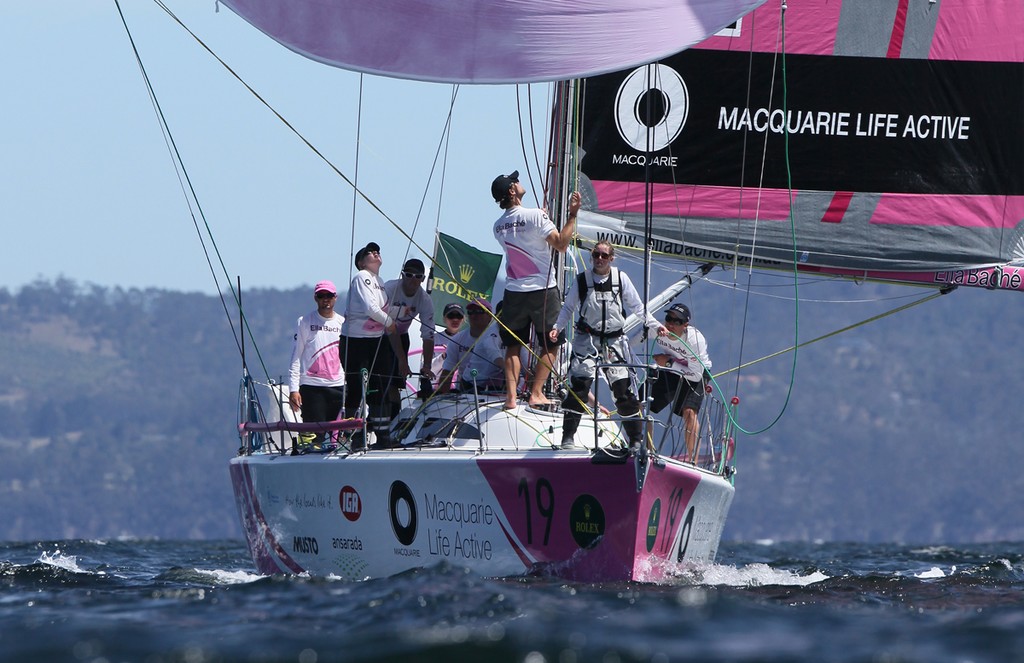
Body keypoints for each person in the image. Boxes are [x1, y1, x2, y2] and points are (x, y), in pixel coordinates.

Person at [550, 241, 665, 450]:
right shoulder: (582, 280)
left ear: (612, 258)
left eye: (604, 255)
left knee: (622, 389)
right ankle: (568, 437)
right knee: (580, 386)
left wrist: (656, 326)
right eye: (596, 254)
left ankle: (636, 440)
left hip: (615, 341)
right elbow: (568, 307)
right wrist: (557, 327)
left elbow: (638, 307)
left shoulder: (620, 279)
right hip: (587, 339)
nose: (599, 259)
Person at [491, 169, 580, 409]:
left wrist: (541, 219)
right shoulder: (535, 216)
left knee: (513, 345)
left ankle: (511, 397)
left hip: (514, 292)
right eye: (515, 182)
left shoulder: (498, 226)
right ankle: (536, 393)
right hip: (542, 289)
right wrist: (572, 216)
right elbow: (561, 245)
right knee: (552, 343)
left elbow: (521, 232)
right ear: (512, 191)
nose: (519, 183)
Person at [341, 242, 408, 449]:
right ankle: (353, 435)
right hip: (356, 342)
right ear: (360, 262)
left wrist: (404, 313)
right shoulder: (362, 277)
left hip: (376, 340)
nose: (375, 253)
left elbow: (385, 308)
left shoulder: (379, 282)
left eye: (377, 250)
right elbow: (371, 308)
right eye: (369, 252)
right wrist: (390, 322)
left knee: (380, 386)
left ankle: (382, 435)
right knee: (357, 387)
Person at [287, 280, 346, 448]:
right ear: (316, 298)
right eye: (321, 296)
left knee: (341, 439)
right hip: (312, 387)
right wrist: (294, 389)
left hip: (338, 386)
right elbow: (296, 356)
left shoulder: (343, 323)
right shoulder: (305, 321)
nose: (325, 299)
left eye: (329, 296)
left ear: (335, 298)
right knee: (313, 440)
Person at [650, 303, 712, 460]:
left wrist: (668, 363)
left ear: (685, 325)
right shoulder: (658, 331)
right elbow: (637, 336)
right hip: (671, 366)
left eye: (677, 322)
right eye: (668, 318)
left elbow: (695, 375)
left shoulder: (694, 340)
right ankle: (646, 451)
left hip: (696, 372)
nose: (670, 324)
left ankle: (693, 461)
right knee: (640, 403)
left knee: (689, 412)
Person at [384, 258, 435, 400]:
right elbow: (389, 327)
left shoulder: (425, 300)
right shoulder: (389, 289)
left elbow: (428, 335)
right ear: (402, 275)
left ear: (423, 279)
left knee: (396, 383)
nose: (413, 280)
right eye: (409, 275)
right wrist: (402, 360)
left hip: (401, 335)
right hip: (381, 335)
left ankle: (394, 414)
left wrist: (427, 366)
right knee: (382, 381)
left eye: (418, 276)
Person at [435, 299, 505, 394]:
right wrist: (441, 396)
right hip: (468, 388)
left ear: (490, 316)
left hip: (496, 388)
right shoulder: (456, 340)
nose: (474, 315)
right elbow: (448, 371)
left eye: (479, 311)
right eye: (470, 312)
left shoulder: (497, 335)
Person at [431, 302, 466, 391]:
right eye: (451, 316)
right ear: (444, 319)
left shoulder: (467, 339)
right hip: (435, 390)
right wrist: (443, 357)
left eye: (459, 316)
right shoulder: (434, 338)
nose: (455, 319)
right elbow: (427, 368)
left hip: (460, 390)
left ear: (463, 319)